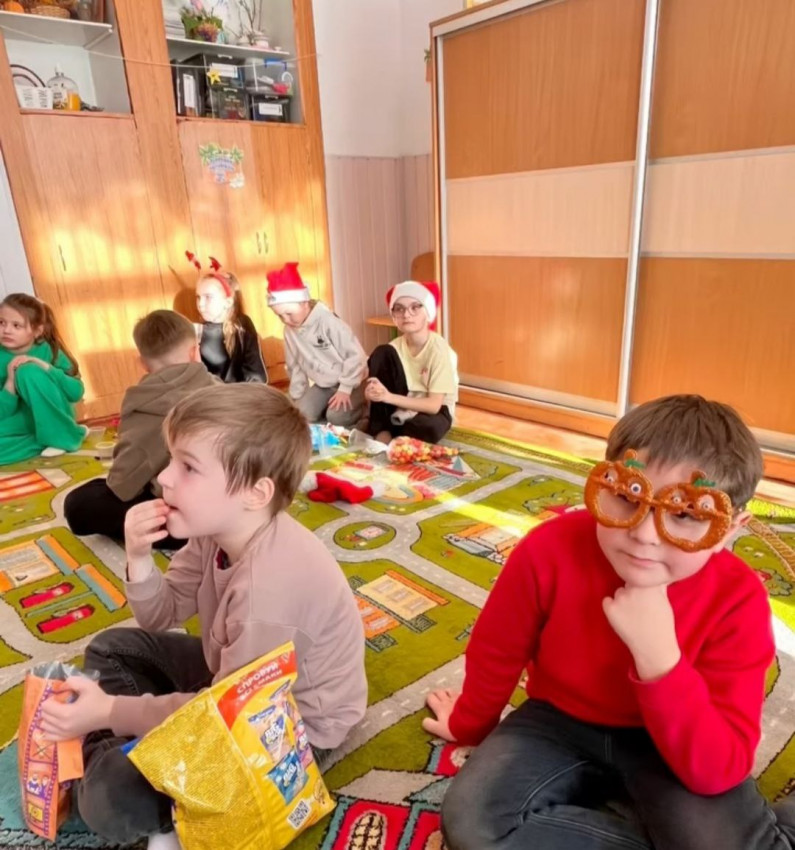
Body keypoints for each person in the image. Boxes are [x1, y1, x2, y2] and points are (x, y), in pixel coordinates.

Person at [424, 394, 795, 850]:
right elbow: (497, 649)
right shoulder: (548, 549)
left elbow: (722, 766)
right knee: (474, 825)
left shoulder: (738, 599)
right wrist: (468, 723)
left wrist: (660, 660)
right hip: (557, 720)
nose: (643, 534)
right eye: (627, 496)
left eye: (685, 514)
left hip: (673, 739)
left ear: (730, 531)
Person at [40, 383, 367, 848]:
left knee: (110, 798)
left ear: (255, 493)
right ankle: (111, 735)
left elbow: (226, 718)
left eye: (188, 467)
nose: (165, 477)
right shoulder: (218, 529)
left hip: (288, 727)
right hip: (236, 684)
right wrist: (137, 556)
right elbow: (161, 613)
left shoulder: (268, 592)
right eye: (172, 459)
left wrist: (110, 711)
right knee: (111, 649)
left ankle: (108, 747)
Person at [64, 310, 216, 548]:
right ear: (194, 352)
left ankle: (195, 535)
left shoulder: (145, 405)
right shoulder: (221, 389)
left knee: (80, 502)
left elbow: (123, 484)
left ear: (142, 363)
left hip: (193, 521)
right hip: (239, 508)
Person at [267, 261, 367, 427]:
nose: (286, 320)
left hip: (353, 381)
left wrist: (345, 388)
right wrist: (297, 397)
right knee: (301, 415)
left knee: (336, 417)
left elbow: (356, 356)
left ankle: (363, 412)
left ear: (304, 303)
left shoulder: (328, 321)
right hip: (324, 385)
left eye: (289, 313)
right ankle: (327, 415)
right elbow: (295, 365)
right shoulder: (289, 331)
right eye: (280, 316)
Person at [364, 280, 457, 444]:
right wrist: (371, 394)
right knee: (381, 352)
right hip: (400, 405)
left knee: (428, 427)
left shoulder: (439, 349)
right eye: (399, 309)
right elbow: (377, 393)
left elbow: (434, 405)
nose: (406, 315)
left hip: (432, 411)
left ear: (427, 313)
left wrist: (388, 397)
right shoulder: (392, 349)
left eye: (415, 307)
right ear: (394, 316)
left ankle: (393, 432)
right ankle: (383, 431)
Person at [0, 293, 85, 464]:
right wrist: (10, 382)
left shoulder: (50, 350)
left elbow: (76, 392)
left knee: (28, 371)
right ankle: (55, 437)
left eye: (16, 325)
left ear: (37, 331)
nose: (6, 330)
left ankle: (61, 434)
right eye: (1, 323)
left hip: (53, 417)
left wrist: (46, 368)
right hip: (21, 422)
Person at [193, 261, 268, 384]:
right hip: (213, 393)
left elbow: (256, 372)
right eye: (198, 297)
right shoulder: (197, 331)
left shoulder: (242, 325)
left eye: (208, 297)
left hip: (244, 392)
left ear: (227, 302)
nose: (200, 304)